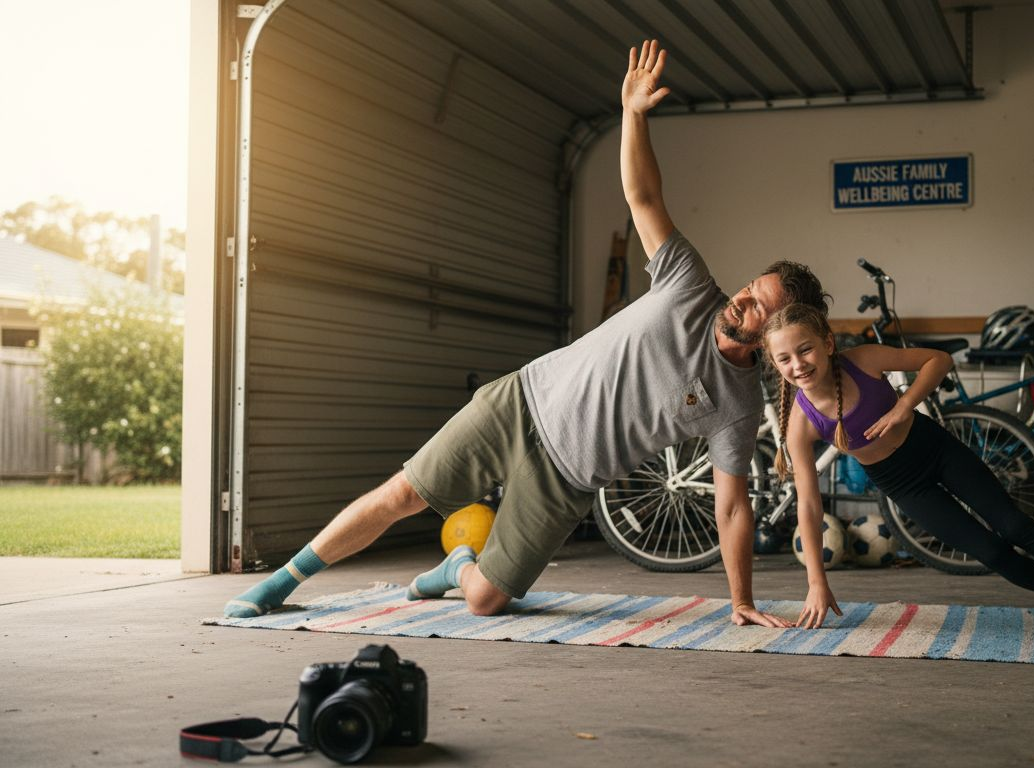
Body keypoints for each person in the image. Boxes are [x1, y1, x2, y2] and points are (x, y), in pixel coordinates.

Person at [224, 40, 827, 628]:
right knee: (401, 494)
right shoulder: (689, 283)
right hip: (521, 404)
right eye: (750, 287)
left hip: (566, 483)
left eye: (757, 307)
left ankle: (457, 566)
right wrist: (631, 116)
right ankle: (280, 582)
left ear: (771, 333)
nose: (742, 299)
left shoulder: (739, 405)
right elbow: (642, 194)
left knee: (486, 600)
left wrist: (740, 600)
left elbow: (731, 507)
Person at [763, 302, 1034, 642]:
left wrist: (904, 406)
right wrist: (816, 582)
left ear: (827, 344)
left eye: (805, 349)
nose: (798, 365)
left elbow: (939, 360)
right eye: (784, 359)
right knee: (992, 552)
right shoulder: (802, 424)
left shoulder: (863, 360)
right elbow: (810, 506)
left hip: (935, 448)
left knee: (1013, 525)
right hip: (903, 485)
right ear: (775, 364)